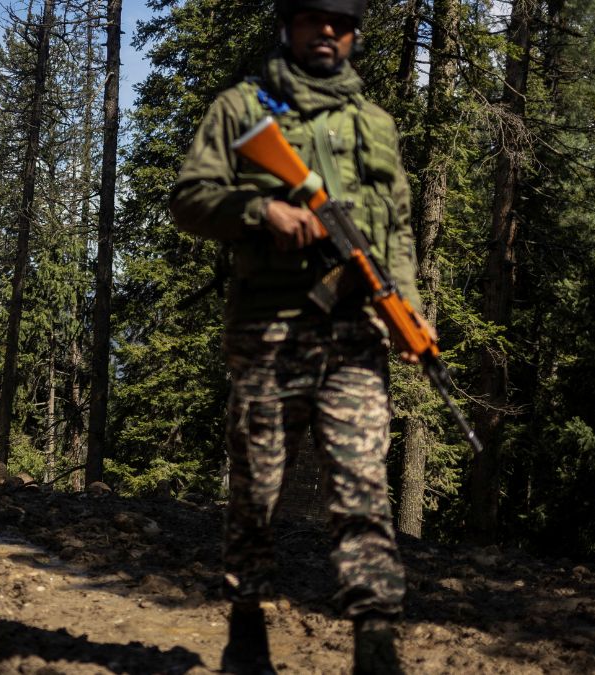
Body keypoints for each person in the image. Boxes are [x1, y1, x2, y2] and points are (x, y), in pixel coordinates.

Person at [169, 1, 428, 673]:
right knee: (255, 490)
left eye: (340, 24)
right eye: (315, 19)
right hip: (267, 334)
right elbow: (189, 198)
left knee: (364, 493)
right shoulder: (239, 110)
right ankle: (246, 626)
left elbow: (397, 229)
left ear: (355, 35)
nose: (328, 34)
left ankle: (376, 645)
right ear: (289, 26)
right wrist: (261, 211)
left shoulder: (374, 124)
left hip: (355, 338)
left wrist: (409, 308)